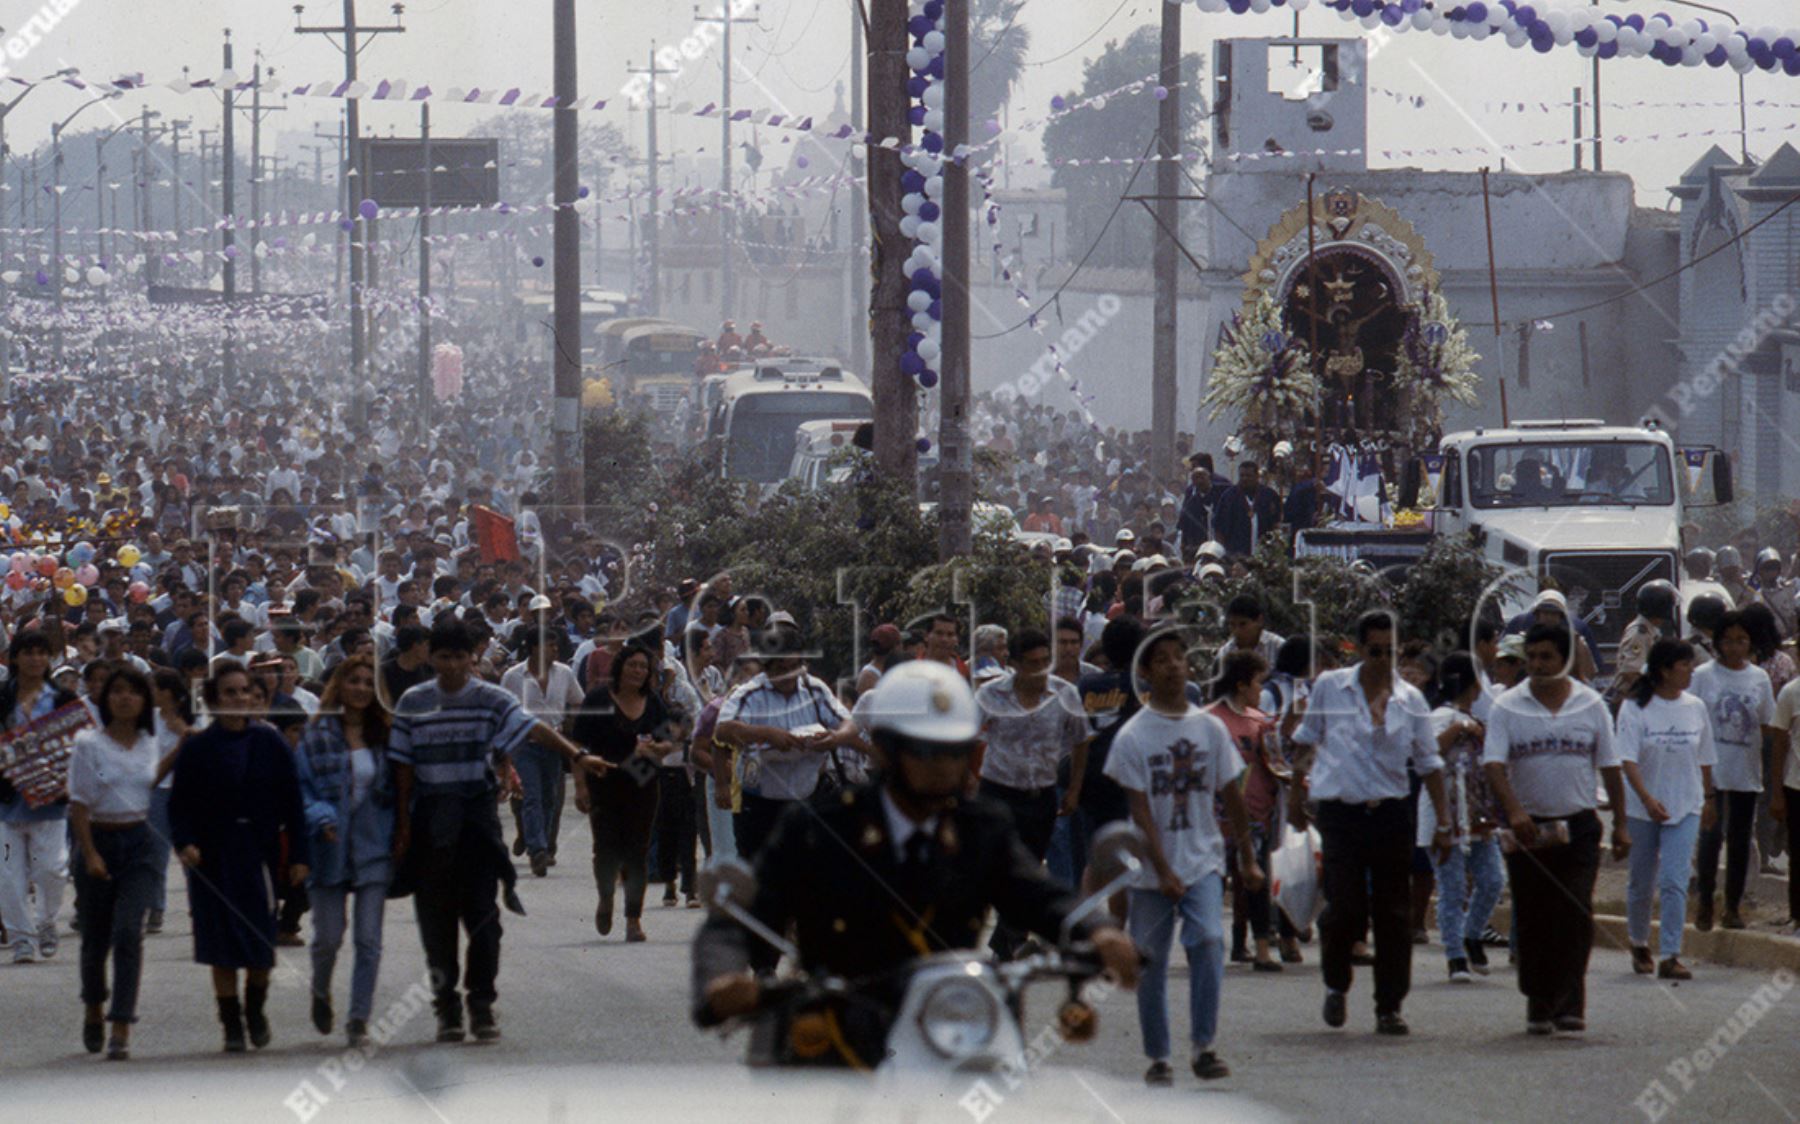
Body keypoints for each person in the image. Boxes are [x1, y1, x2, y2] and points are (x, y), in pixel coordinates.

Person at [692, 660, 1140, 1068]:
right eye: (925, 752)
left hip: (953, 1021)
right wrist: (723, 978)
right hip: (843, 1028)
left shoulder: (981, 827)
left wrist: (1096, 930)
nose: (943, 766)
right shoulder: (822, 828)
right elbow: (743, 913)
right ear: (886, 750)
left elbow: (1035, 891)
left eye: (954, 751)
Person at [389, 619, 607, 1043]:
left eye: (460, 656)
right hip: (430, 822)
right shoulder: (414, 702)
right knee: (436, 924)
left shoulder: (490, 698)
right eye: (444, 656)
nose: (452, 665)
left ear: (473, 658)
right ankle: (447, 1008)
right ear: (431, 658)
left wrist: (577, 755)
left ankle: (481, 1003)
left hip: (476, 821)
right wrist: (401, 827)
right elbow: (402, 770)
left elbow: (535, 728)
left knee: (485, 920)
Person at [1108, 628, 1262, 1084]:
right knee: (1150, 961)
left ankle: (1204, 1046)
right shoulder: (1132, 736)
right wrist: (1162, 870)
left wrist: (1248, 858)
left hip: (1203, 860)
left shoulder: (1210, 729)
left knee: (1209, 942)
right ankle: (1158, 1055)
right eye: (1163, 659)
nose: (1174, 665)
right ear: (1146, 671)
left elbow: (1232, 797)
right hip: (1150, 870)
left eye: (1180, 657)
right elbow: (1141, 812)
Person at [1288, 610, 1450, 1036]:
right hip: (1341, 814)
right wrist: (1294, 797)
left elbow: (1430, 764)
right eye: (1374, 650)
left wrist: (1445, 823)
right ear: (1359, 649)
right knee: (1344, 907)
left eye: (1390, 651)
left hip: (1392, 813)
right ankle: (1336, 982)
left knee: (1394, 913)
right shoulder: (1331, 687)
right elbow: (1306, 742)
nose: (1382, 659)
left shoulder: (1410, 700)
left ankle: (1389, 1005)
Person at [1482, 622, 1630, 1036]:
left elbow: (1611, 767)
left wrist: (1620, 824)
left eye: (1546, 657)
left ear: (1565, 659)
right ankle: (1538, 998)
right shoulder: (1508, 706)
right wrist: (1514, 811)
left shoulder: (1591, 705)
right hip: (1529, 828)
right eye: (1531, 657)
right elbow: (1494, 765)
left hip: (1579, 825)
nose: (1537, 665)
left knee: (1575, 907)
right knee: (1533, 913)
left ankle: (1570, 1001)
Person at [168, 665, 312, 1052]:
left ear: (254, 697)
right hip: (211, 856)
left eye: (244, 691)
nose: (237, 699)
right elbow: (179, 804)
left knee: (260, 941)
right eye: (228, 692)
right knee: (220, 944)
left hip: (257, 853)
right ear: (213, 700)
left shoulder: (271, 744)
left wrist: (299, 854)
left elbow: (293, 803)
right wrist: (185, 842)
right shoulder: (198, 748)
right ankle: (230, 1023)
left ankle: (256, 1008)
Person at [294, 656, 396, 1049]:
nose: (360, 689)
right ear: (340, 685)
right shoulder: (316, 734)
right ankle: (320, 990)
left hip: (373, 845)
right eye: (353, 681)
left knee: (369, 939)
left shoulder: (386, 735)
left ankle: (358, 1017)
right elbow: (301, 788)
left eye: (368, 683)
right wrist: (320, 816)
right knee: (328, 939)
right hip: (328, 846)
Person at [973, 628, 1089, 958]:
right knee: (1002, 865)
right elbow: (968, 736)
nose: (1039, 670)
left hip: (1041, 794)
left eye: (1044, 662)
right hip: (998, 791)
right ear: (1015, 664)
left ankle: (1008, 938)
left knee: (1030, 865)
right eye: (1032, 663)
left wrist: (1075, 788)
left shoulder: (1065, 694)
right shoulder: (991, 694)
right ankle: (1009, 937)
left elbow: (1081, 739)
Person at [67, 667, 162, 1060]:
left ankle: (121, 1022)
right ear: (105, 699)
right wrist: (89, 853)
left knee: (128, 932)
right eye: (117, 691)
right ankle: (94, 1005)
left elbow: (159, 780)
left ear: (144, 701)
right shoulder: (88, 743)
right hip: (98, 839)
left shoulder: (150, 741)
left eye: (133, 692)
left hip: (140, 842)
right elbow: (79, 804)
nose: (125, 698)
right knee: (95, 938)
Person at [714, 628, 858, 864]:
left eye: (794, 667)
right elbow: (724, 730)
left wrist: (834, 738)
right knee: (758, 880)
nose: (788, 676)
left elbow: (849, 725)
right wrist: (766, 734)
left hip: (807, 800)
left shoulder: (815, 689)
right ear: (766, 667)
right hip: (760, 805)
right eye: (781, 669)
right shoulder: (749, 694)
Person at [1617, 639, 1715, 981]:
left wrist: (1709, 798)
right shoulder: (1635, 708)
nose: (1690, 670)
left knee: (1674, 880)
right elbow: (1627, 760)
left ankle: (1671, 952)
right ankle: (1639, 941)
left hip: (1685, 804)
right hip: (1643, 808)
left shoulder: (1696, 707)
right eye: (1683, 665)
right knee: (1641, 882)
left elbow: (1704, 758)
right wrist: (1646, 798)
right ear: (1664, 670)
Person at [571, 643, 675, 942]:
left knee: (637, 851)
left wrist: (658, 748)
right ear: (620, 667)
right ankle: (606, 898)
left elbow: (668, 741)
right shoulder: (598, 699)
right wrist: (580, 786)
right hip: (603, 782)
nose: (638, 672)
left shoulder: (653, 702)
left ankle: (633, 918)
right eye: (633, 665)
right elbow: (578, 746)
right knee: (604, 848)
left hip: (642, 784)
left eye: (644, 667)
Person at [1205, 650, 1297, 970]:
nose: (1262, 689)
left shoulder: (1260, 722)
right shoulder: (1207, 719)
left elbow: (1275, 765)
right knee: (1213, 883)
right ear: (1242, 685)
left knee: (1255, 880)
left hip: (1254, 816)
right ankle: (1211, 942)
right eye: (1259, 682)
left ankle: (1260, 948)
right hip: (1214, 818)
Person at [1689, 611, 1776, 932]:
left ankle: (1733, 905)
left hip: (1745, 772)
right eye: (1729, 640)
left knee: (1740, 841)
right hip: (1711, 770)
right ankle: (1705, 902)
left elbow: (1766, 723)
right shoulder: (1703, 676)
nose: (1735, 647)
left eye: (1742, 640)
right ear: (1718, 642)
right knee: (1710, 838)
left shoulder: (1759, 678)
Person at [1422, 653, 1504, 983]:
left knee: (1493, 880)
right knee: (1452, 887)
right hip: (1445, 814)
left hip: (1478, 814)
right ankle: (1455, 954)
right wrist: (1459, 728)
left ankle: (1472, 933)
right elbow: (1430, 752)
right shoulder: (1440, 717)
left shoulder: (1481, 717)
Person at [0, 630, 77, 964]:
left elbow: (77, 745)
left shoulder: (62, 699)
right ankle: (21, 938)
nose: (34, 659)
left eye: (41, 653)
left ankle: (46, 921)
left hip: (50, 798)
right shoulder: (2, 698)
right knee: (8, 874)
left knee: (52, 870)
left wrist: (67, 781)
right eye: (27, 652)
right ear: (14, 657)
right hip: (6, 799)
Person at [499, 626, 585, 877]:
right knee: (532, 795)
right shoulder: (513, 676)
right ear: (535, 648)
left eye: (556, 645)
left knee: (550, 798)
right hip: (525, 744)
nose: (555, 650)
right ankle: (538, 849)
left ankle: (538, 839)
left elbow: (578, 700)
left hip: (554, 743)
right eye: (550, 645)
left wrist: (572, 726)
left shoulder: (565, 673)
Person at [1209, 461, 1282, 559]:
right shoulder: (1229, 496)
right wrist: (1223, 554)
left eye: (1248, 476)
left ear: (1257, 476)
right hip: (1237, 555)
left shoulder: (1269, 496)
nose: (1245, 479)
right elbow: (1219, 529)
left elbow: (1276, 525)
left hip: (1264, 555)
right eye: (1242, 475)